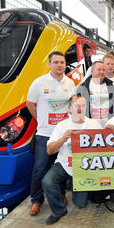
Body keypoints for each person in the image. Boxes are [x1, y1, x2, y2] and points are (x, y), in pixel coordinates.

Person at [26, 51, 75, 216]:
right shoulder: (38, 83)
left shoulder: (70, 83)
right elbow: (30, 104)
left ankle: (60, 195)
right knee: (39, 168)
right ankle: (36, 200)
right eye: (56, 62)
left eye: (62, 62)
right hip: (45, 134)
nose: (59, 65)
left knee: (59, 166)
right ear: (49, 64)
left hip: (62, 135)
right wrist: (41, 120)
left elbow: (72, 106)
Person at [42, 95, 102, 225]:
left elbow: (106, 147)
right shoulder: (62, 125)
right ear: (70, 108)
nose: (80, 109)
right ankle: (59, 211)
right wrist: (63, 138)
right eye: (77, 106)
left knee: (80, 204)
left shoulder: (94, 124)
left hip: (85, 168)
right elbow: (49, 150)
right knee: (47, 181)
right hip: (65, 164)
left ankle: (75, 185)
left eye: (83, 106)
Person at [76, 61, 114, 127]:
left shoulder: (110, 86)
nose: (102, 72)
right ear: (92, 71)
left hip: (108, 125)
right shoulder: (83, 87)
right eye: (99, 70)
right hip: (90, 126)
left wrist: (112, 121)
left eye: (103, 70)